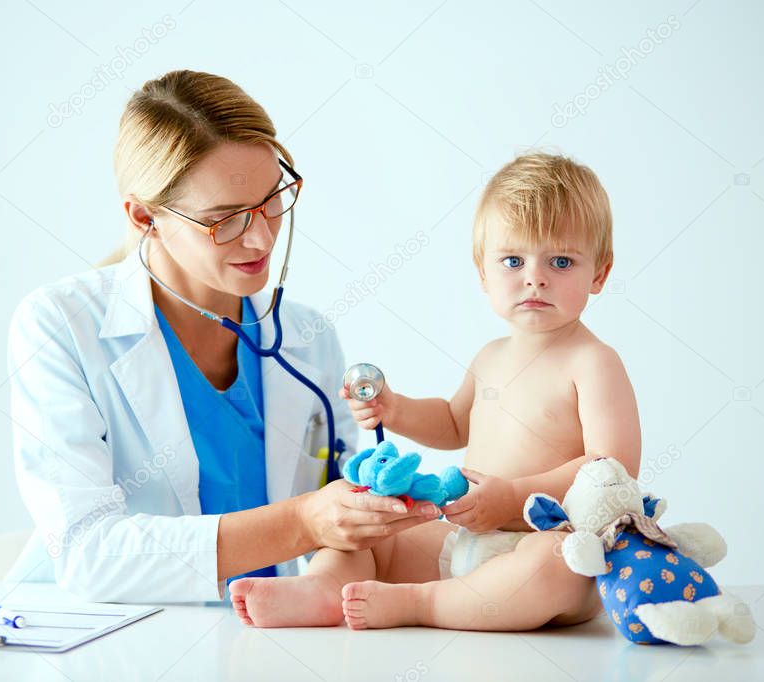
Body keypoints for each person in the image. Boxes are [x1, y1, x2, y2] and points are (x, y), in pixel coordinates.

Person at [3, 70, 442, 603]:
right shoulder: (59, 326)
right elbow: (88, 554)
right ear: (144, 217)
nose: (260, 237)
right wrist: (305, 522)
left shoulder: (306, 336)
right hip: (96, 642)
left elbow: (344, 510)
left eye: (270, 199)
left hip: (256, 635)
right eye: (224, 219)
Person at [230, 152, 642, 629]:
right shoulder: (491, 356)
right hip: (464, 540)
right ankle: (324, 588)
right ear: (483, 273)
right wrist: (395, 408)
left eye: (561, 261)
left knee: (557, 566)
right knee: (367, 526)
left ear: (599, 274)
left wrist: (512, 499)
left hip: (547, 542)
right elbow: (452, 422)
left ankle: (419, 604)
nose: (535, 277)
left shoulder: (592, 362)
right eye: (513, 260)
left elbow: (612, 469)